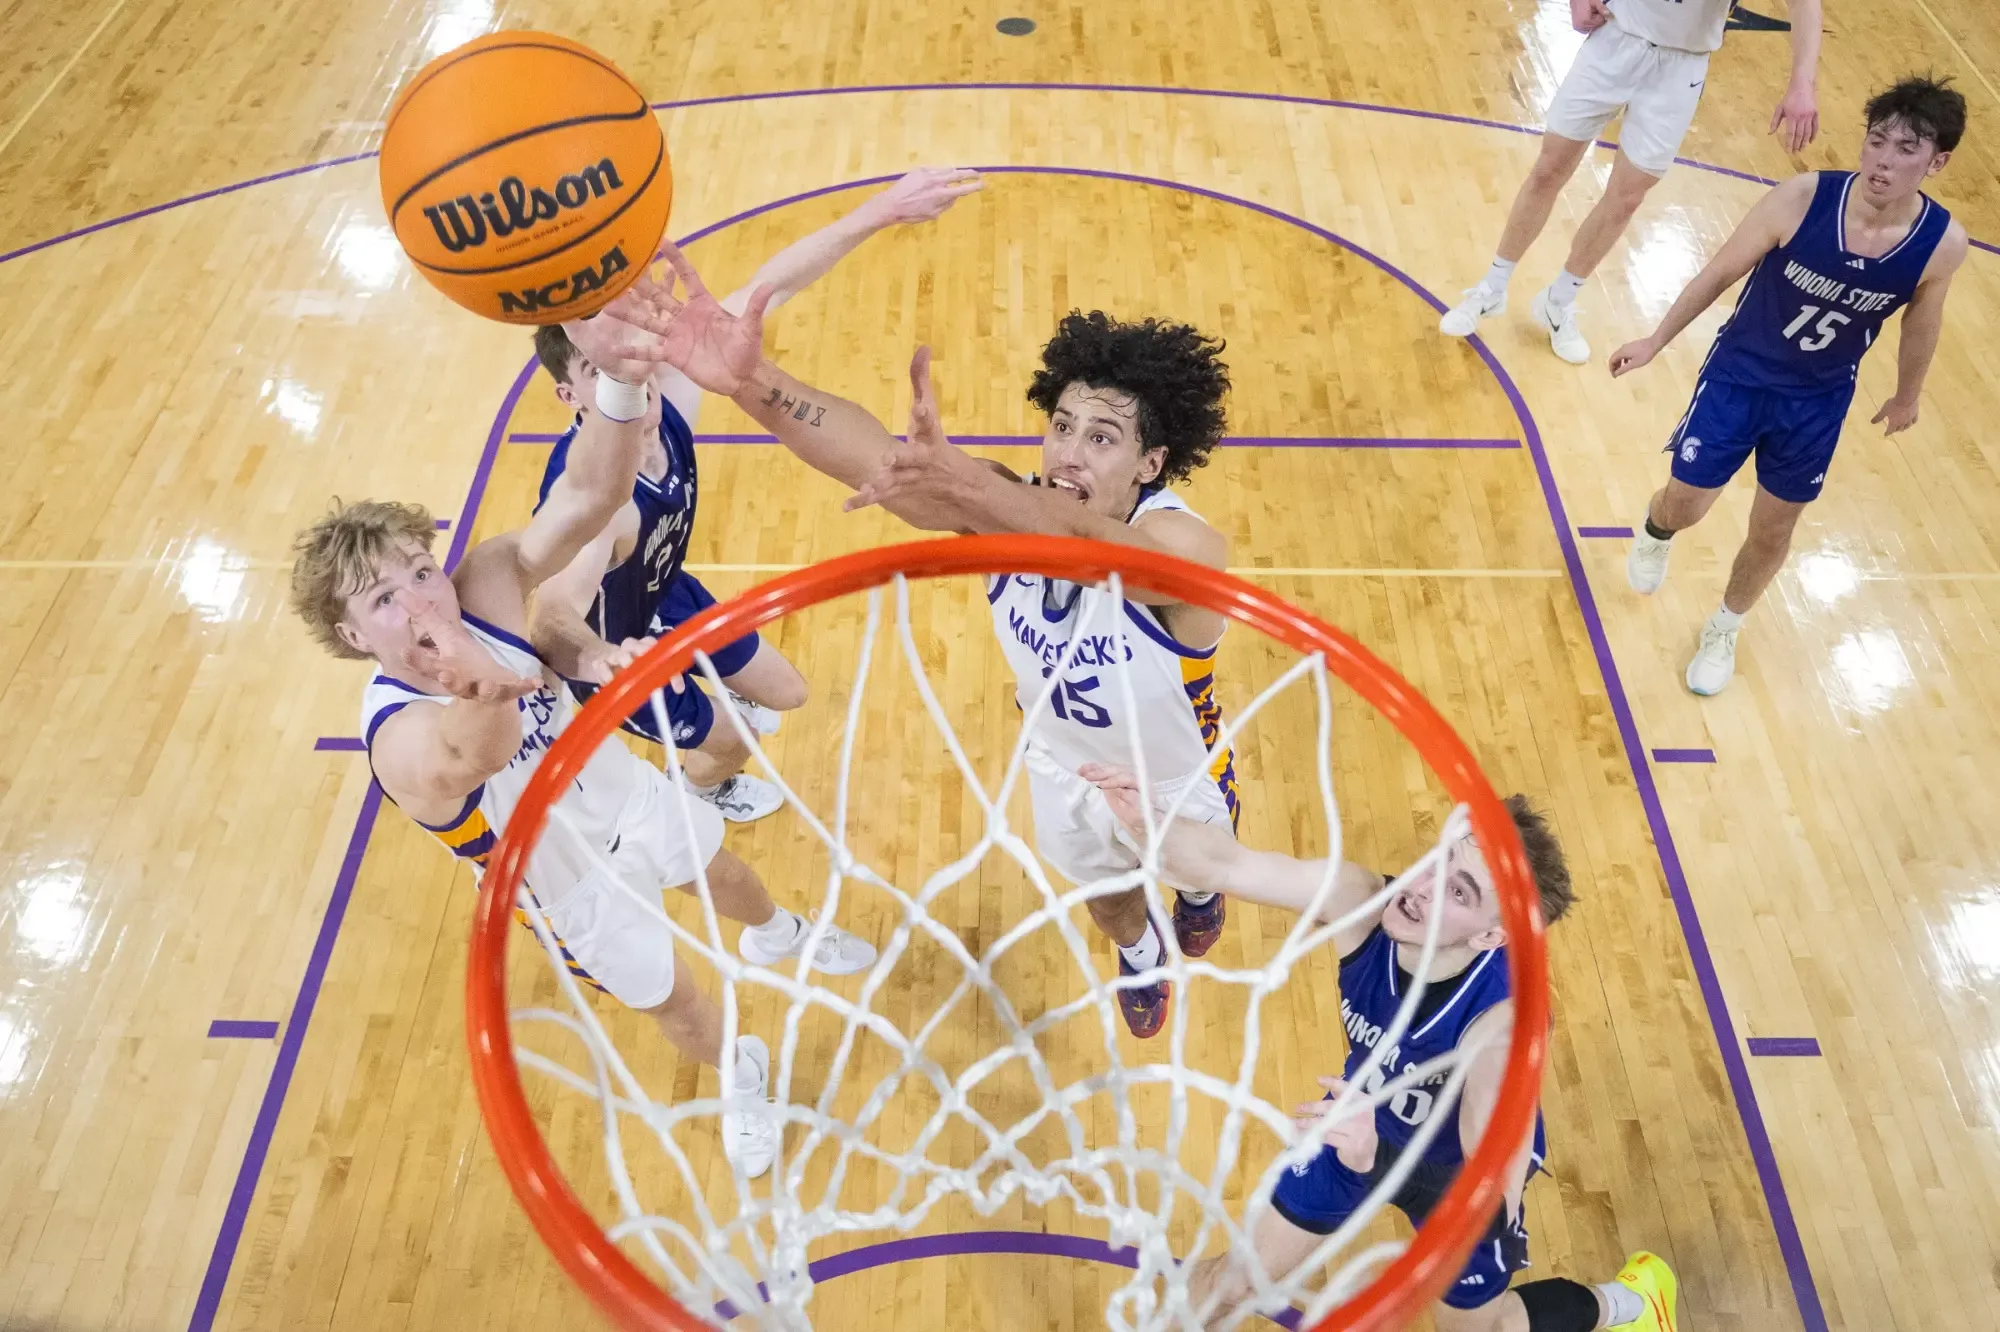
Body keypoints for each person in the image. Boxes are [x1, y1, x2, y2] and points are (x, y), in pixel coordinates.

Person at [286, 276, 876, 1178]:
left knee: (720, 866)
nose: (417, 600)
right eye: (383, 598)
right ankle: (738, 1075)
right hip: (564, 885)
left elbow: (586, 499)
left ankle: (778, 933)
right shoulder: (393, 738)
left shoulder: (481, 581)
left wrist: (617, 381)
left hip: (620, 791)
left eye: (416, 570)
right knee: (676, 1002)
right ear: (350, 635)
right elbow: (468, 753)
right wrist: (478, 680)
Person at [583, 240, 1239, 1039]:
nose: (1067, 451)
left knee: (1195, 872)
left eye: (1101, 438)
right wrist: (749, 382)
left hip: (1175, 780)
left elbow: (1092, 553)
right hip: (1064, 764)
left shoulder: (1185, 550)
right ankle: (1140, 953)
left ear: (1152, 463)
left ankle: (1201, 896)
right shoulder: (1001, 503)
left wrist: (955, 481)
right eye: (1062, 426)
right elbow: (872, 460)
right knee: (1108, 899)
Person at [1080, 764, 1676, 1332]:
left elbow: (1489, 1207)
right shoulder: (1362, 902)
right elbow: (1226, 864)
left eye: (1459, 893)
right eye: (1437, 861)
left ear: (1492, 935)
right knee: (1231, 1281)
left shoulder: (1502, 1031)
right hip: (1358, 1125)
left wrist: (1379, 1160)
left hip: (1455, 1183)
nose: (1420, 889)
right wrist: (1143, 820)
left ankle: (1628, 1302)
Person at [528, 167, 983, 823]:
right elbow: (551, 616)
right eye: (598, 370)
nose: (630, 371)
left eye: (632, 351)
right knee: (733, 742)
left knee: (788, 694)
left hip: (660, 591)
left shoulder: (668, 395)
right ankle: (703, 789)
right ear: (569, 397)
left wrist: (879, 211)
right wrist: (603, 659)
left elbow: (772, 287)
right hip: (617, 660)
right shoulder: (597, 502)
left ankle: (716, 718)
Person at [1610, 76, 1968, 694]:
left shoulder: (1942, 244)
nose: (1883, 158)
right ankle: (1656, 531)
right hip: (1738, 378)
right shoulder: (1803, 198)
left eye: (1905, 149)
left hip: (1819, 402)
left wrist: (1908, 394)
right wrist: (1654, 340)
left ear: (1937, 162)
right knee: (1687, 504)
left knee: (1774, 529)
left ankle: (1725, 626)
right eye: (1876, 140)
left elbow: (1921, 324)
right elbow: (1718, 272)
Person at [1439, 0, 1822, 365]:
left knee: (1626, 198)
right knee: (1550, 168)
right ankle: (1491, 288)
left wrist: (1802, 84)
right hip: (1616, 39)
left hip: (1681, 67)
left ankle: (1559, 302)